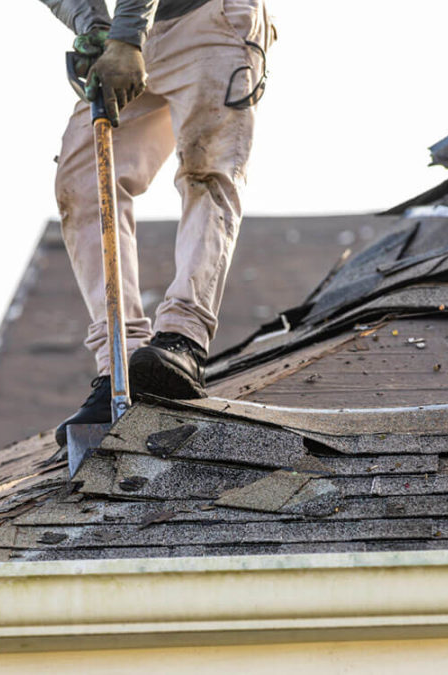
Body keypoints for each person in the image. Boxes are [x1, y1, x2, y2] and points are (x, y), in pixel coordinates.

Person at [37, 0, 274, 445]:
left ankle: (182, 340)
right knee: (84, 179)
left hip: (210, 17)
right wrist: (97, 28)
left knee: (207, 167)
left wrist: (125, 38)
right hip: (137, 30)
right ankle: (120, 363)